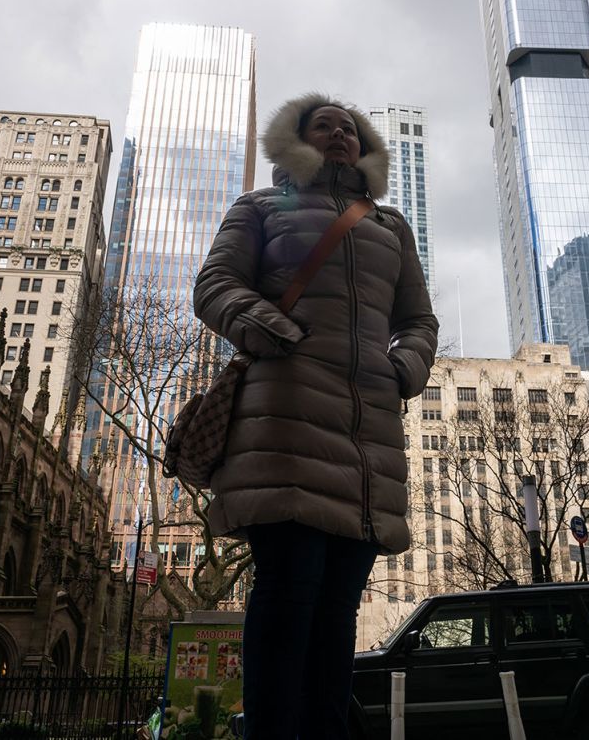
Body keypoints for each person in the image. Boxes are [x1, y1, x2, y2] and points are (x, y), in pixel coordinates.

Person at [193, 93, 439, 739]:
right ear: (295, 139)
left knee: (336, 613)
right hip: (285, 415)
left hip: (368, 438)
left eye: (349, 129)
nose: (339, 135)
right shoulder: (260, 207)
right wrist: (271, 328)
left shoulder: (390, 227)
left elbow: (418, 319)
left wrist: (403, 366)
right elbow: (215, 286)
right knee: (289, 593)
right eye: (323, 125)